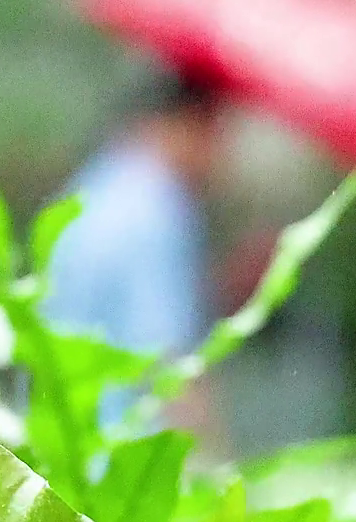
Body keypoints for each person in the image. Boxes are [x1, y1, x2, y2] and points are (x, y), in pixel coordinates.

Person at [41, 68, 230, 446]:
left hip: (57, 449)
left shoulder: (91, 187)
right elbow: (170, 365)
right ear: (188, 125)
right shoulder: (157, 208)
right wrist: (215, 461)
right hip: (120, 459)